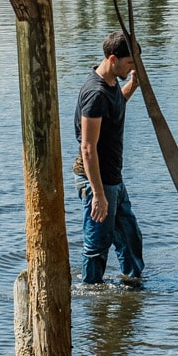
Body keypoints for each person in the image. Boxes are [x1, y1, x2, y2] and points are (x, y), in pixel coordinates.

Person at [75, 31, 144, 285]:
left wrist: (132, 86)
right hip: (97, 180)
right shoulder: (95, 94)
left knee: (130, 237)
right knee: (97, 245)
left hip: (113, 178)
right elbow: (88, 148)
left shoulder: (111, 84)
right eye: (129, 63)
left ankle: (133, 288)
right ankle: (91, 293)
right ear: (113, 59)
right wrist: (98, 194)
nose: (133, 68)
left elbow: (115, 106)